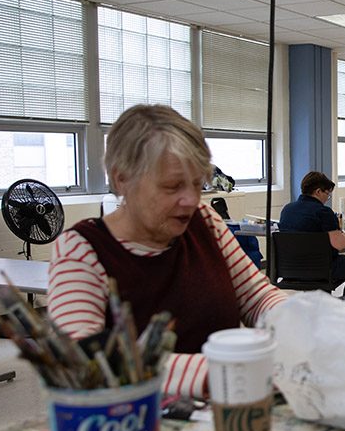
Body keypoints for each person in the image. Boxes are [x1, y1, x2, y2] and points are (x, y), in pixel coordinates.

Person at [47, 104, 287, 399]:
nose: (190, 200)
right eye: (172, 187)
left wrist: (294, 321)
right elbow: (84, 360)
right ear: (121, 178)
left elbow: (255, 296)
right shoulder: (81, 250)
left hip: (226, 408)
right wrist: (220, 372)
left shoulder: (205, 221)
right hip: (137, 428)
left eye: (197, 184)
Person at [278, 171, 345, 295]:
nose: (327, 198)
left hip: (289, 269)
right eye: (327, 194)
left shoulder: (287, 210)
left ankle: (320, 300)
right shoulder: (323, 212)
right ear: (318, 191)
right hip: (321, 268)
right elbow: (339, 244)